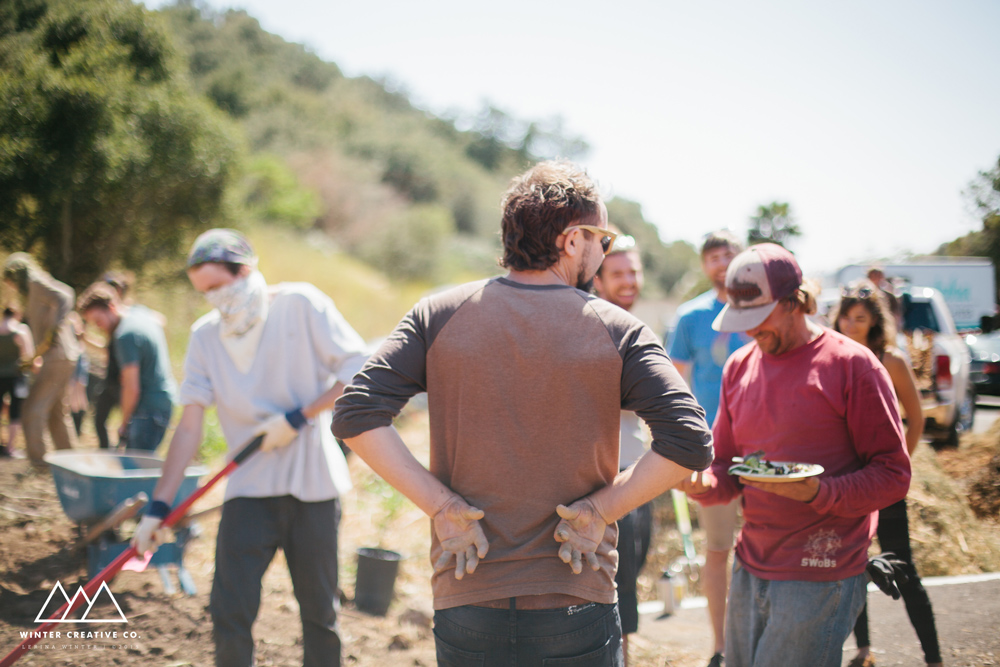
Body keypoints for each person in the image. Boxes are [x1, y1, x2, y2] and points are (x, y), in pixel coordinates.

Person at [332, 160, 714, 666]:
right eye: (603, 239)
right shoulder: (618, 329)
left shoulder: (437, 314)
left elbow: (355, 414)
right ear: (572, 240)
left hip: (467, 592)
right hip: (575, 596)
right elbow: (690, 441)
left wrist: (441, 507)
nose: (604, 252)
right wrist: (602, 510)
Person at [131, 229, 368, 667]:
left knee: (319, 613)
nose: (214, 298)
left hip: (313, 486)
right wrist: (159, 506)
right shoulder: (205, 337)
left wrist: (299, 416)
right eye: (204, 292)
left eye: (218, 285)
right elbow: (189, 425)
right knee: (229, 611)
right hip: (250, 488)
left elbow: (359, 369)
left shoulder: (300, 305)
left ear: (245, 270)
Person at [679, 243, 911, 667]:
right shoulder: (739, 367)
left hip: (821, 569)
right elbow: (726, 468)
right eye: (742, 319)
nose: (750, 331)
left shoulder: (852, 366)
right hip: (751, 564)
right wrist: (699, 483)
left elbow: (893, 474)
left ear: (794, 302)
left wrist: (818, 493)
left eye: (760, 317)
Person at [834, 280, 942, 667]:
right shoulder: (834, 357)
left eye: (860, 318)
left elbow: (917, 418)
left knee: (903, 567)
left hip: (884, 483)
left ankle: (933, 657)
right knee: (853, 565)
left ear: (875, 322)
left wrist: (897, 466)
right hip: (849, 482)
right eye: (845, 317)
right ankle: (863, 650)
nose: (850, 325)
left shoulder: (891, 359)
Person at [666, 230, 749, 667]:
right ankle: (720, 646)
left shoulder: (761, 311)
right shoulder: (690, 317)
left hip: (764, 450)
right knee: (718, 550)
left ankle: (756, 642)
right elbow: (673, 384)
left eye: (729, 255)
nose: (722, 263)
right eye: (714, 257)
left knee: (769, 547)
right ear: (704, 265)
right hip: (714, 455)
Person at [592, 231, 653, 665]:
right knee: (611, 589)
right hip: (602, 477)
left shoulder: (639, 329)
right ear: (598, 280)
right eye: (617, 273)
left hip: (637, 473)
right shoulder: (592, 325)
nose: (628, 281)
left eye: (633, 272)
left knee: (627, 586)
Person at [77, 282, 177, 452]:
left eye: (99, 321)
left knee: (137, 466)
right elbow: (161, 321)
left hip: (148, 410)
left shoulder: (124, 336)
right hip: (163, 401)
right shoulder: (140, 313)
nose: (99, 328)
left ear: (111, 307)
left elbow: (132, 387)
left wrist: (124, 423)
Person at [2, 253, 81, 465]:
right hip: (61, 355)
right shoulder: (36, 285)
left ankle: (40, 464)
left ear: (17, 274)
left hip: (57, 355)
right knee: (57, 413)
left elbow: (66, 295)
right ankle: (72, 463)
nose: (12, 286)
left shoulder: (35, 281)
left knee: (31, 409)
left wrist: (54, 329)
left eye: (11, 281)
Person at [0, 305, 34, 457]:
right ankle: (10, 448)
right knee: (15, 411)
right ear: (17, 315)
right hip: (16, 376)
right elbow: (28, 355)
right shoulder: (20, 330)